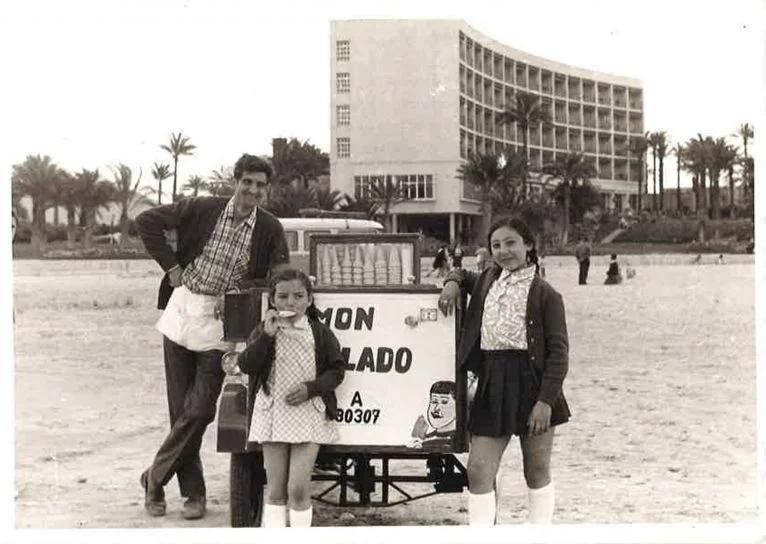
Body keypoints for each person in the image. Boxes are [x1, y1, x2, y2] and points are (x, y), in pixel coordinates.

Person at [135, 154, 289, 520]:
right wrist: (172, 267)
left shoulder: (269, 228)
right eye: (247, 182)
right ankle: (194, 494)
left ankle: (153, 477)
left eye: (260, 185)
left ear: (266, 190)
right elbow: (146, 222)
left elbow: (277, 275)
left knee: (201, 409)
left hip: (221, 327)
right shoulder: (202, 208)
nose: (252, 190)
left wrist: (239, 289)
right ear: (235, 181)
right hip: (181, 313)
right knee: (180, 412)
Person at [438, 216, 571, 525]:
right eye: (496, 245)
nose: (503, 251)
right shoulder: (486, 280)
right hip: (492, 384)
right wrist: (452, 283)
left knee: (535, 469)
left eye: (511, 243)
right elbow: (459, 270)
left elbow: (559, 355)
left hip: (534, 386)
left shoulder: (547, 294)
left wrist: (545, 402)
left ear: (529, 245)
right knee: (479, 471)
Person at [238, 267, 345, 527]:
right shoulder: (264, 331)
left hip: (309, 414)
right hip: (273, 413)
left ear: (309, 300)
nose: (291, 303)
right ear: (272, 300)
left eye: (298, 296)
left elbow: (337, 371)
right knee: (275, 491)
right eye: (283, 297)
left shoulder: (319, 333)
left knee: (297, 488)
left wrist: (312, 388)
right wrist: (266, 336)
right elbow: (246, 364)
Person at [408, 381, 457, 449]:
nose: (436, 408)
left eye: (444, 402)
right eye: (434, 401)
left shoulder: (461, 440)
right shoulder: (425, 440)